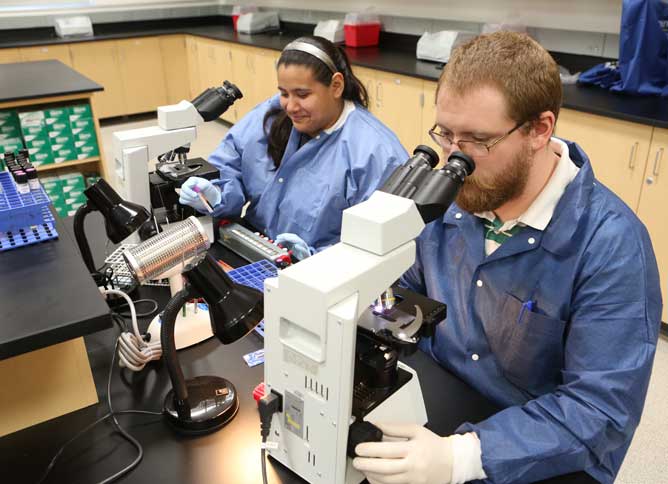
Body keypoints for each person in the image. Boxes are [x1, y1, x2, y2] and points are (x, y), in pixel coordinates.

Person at [352, 31, 662, 484]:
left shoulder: (613, 246)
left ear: (540, 129)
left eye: (478, 140)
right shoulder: (455, 201)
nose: (455, 158)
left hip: (546, 447)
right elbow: (405, 296)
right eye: (446, 134)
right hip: (444, 404)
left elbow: (600, 410)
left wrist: (461, 457)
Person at [179, 36, 408, 259]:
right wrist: (216, 194)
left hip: (321, 276)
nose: (290, 106)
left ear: (336, 86)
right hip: (253, 245)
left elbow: (376, 245)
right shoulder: (271, 114)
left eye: (303, 94)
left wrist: (315, 258)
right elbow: (231, 160)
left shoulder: (375, 153)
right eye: (284, 93)